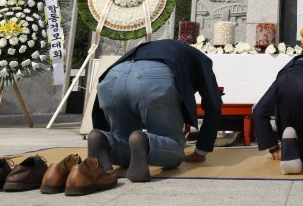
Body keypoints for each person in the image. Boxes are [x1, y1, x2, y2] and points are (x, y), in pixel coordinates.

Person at [89, 39, 222, 182]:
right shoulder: (201, 59)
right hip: (154, 76)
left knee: (124, 141)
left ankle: (103, 140)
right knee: (174, 147)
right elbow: (213, 104)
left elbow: (102, 98)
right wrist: (201, 150)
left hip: (112, 76)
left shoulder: (146, 47)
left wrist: (102, 129)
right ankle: (145, 142)